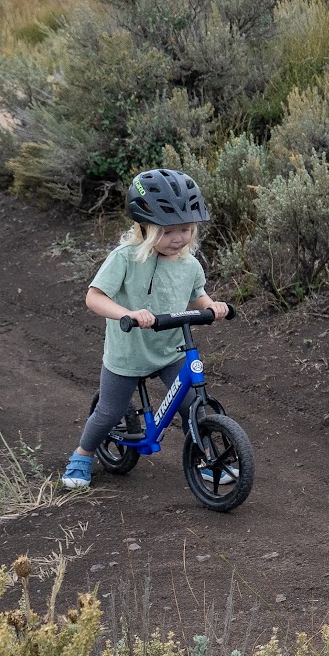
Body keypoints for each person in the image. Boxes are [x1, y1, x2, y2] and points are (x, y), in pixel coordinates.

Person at [60, 169, 229, 489]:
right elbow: (94, 297)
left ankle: (207, 457)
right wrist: (128, 314)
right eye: (167, 231)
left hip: (169, 350)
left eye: (186, 229)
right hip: (128, 353)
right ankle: (82, 455)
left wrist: (213, 306)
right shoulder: (124, 259)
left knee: (192, 403)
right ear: (144, 228)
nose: (178, 238)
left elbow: (198, 296)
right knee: (109, 412)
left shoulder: (189, 264)